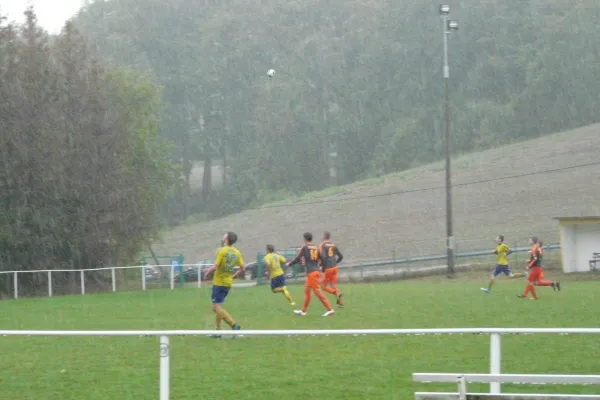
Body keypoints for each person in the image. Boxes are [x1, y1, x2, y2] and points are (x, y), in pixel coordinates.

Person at [203, 232, 244, 337]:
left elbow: (216, 266)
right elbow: (242, 269)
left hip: (218, 283)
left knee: (215, 308)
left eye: (225, 235)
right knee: (218, 306)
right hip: (227, 283)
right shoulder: (237, 252)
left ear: (226, 239)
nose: (223, 236)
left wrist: (207, 272)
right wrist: (234, 276)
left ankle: (234, 326)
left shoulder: (222, 251)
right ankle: (218, 331)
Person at [287, 232, 335, 317]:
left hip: (311, 274)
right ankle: (304, 311)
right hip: (315, 272)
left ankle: (330, 310)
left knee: (318, 293)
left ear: (305, 239)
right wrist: (321, 270)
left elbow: (298, 258)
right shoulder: (316, 248)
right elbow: (323, 260)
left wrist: (289, 264)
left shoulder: (305, 247)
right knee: (307, 291)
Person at [318, 231, 344, 307]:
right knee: (333, 285)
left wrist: (321, 268)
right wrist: (335, 262)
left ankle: (335, 293)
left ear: (324, 236)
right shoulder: (334, 245)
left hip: (328, 268)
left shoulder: (322, 245)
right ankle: (340, 304)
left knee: (323, 286)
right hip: (335, 268)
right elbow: (341, 256)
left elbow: (323, 257)